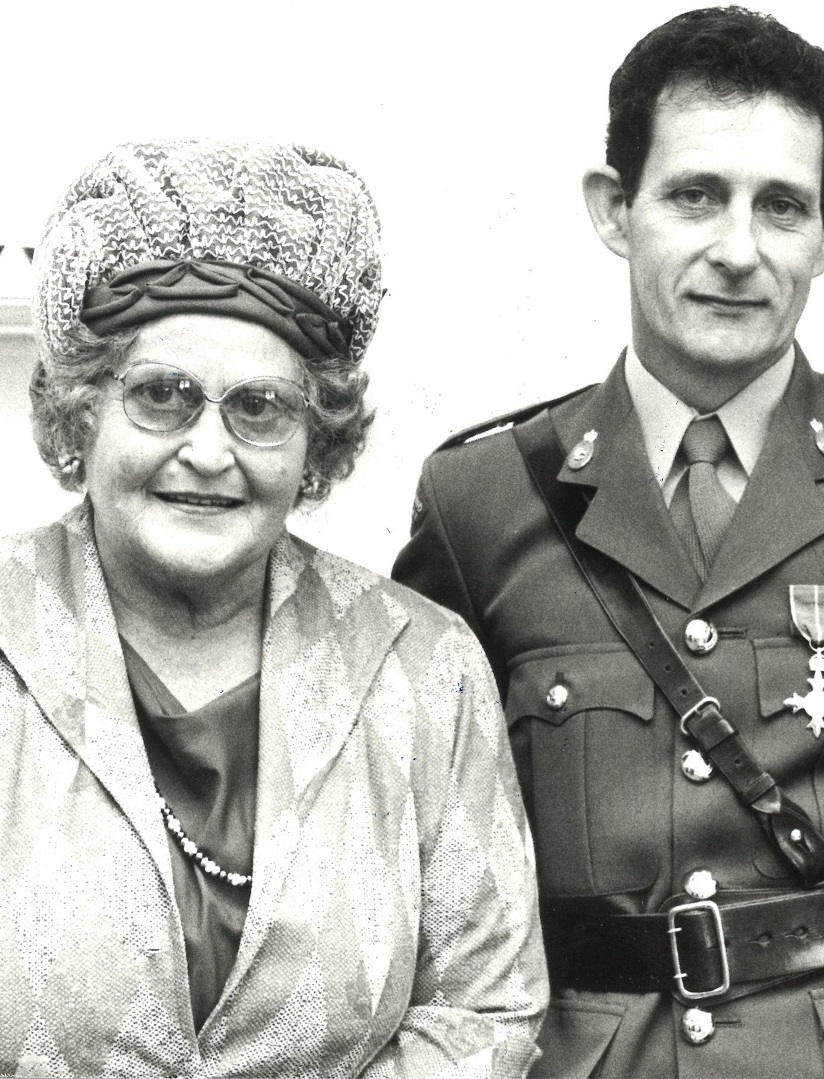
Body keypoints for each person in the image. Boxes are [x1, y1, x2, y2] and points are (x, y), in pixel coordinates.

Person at [393, 8, 824, 1077]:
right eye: (694, 195)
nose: (737, 250)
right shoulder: (478, 501)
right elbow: (436, 838)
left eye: (781, 207)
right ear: (614, 209)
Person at [1, 139, 547, 1076]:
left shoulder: (421, 665)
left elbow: (485, 1008)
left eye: (259, 408)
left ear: (316, 440)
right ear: (82, 413)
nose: (210, 450)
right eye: (163, 396)